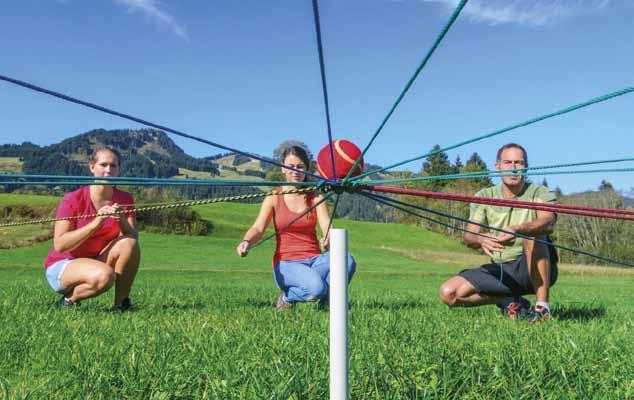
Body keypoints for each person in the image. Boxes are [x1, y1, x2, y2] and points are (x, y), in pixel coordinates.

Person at [438, 143, 558, 323]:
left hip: (535, 266)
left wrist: (519, 230)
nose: (513, 168)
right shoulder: (485, 196)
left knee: (534, 234)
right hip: (502, 270)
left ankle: (542, 308)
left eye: (519, 163)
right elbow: (468, 236)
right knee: (449, 293)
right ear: (498, 167)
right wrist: (480, 238)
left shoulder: (539, 192)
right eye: (508, 162)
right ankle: (509, 300)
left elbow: (548, 222)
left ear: (526, 166)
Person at [236, 145, 356, 310]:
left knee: (347, 260)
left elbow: (326, 225)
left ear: (307, 169)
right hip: (287, 264)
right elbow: (258, 228)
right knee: (316, 288)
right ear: (283, 169)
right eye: (290, 167)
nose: (295, 171)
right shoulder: (274, 197)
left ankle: (327, 302)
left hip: (315, 260)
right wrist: (246, 241)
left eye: (300, 167)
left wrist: (329, 240)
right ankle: (287, 298)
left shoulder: (315, 196)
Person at [43, 147, 140, 310]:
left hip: (97, 261)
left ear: (119, 170)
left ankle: (121, 305)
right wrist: (96, 222)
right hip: (64, 264)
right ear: (92, 167)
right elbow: (60, 245)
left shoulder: (125, 198)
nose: (108, 170)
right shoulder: (72, 199)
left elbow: (133, 237)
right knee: (105, 276)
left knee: (129, 243)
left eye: (113, 166)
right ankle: (69, 301)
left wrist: (122, 219)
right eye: (103, 165)